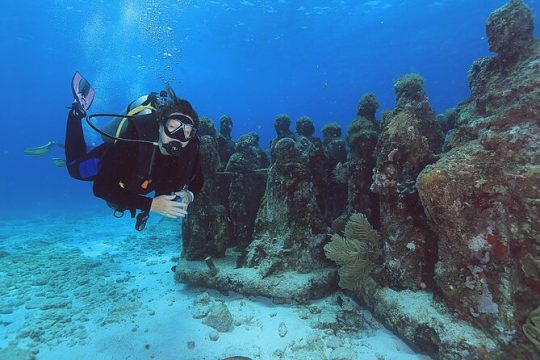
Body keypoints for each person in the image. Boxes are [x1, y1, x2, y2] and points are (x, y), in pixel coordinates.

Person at [64, 71, 204, 230]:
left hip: (140, 179)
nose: (178, 138)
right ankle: (76, 113)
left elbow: (198, 178)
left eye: (187, 132)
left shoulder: (190, 149)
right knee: (76, 169)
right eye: (172, 127)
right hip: (117, 161)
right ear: (160, 125)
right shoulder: (134, 140)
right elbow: (101, 187)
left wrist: (190, 194)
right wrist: (150, 204)